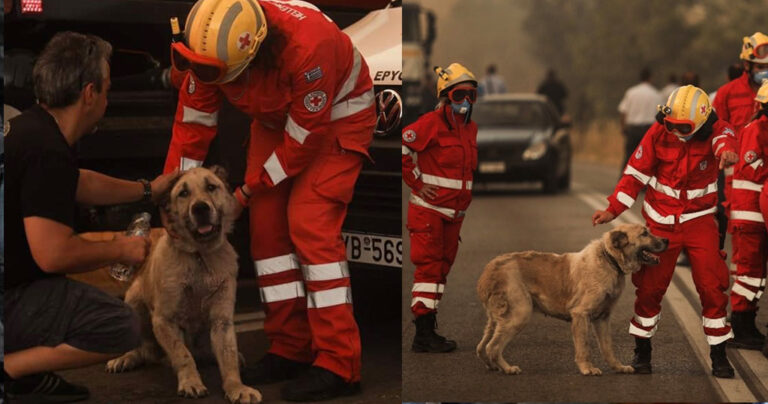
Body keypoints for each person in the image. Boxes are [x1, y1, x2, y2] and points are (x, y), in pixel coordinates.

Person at [163, 0, 376, 400]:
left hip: (335, 118)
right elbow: (192, 125)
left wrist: (246, 189)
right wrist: (173, 202)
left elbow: (302, 140)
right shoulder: (209, 47)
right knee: (266, 232)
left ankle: (339, 363)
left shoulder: (309, 49)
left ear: (255, 52)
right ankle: (290, 347)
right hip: (278, 118)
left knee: (308, 224)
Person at [3, 32, 179, 402]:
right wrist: (120, 249)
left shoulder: (29, 128)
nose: (107, 98)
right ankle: (11, 371)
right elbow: (52, 254)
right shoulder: (46, 151)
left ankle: (25, 373)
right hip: (10, 298)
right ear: (89, 94)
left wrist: (148, 189)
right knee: (119, 325)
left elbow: (76, 182)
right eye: (107, 89)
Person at [593, 85, 739, 378]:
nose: (675, 132)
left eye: (682, 128)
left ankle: (719, 355)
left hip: (699, 222)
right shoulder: (657, 133)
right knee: (649, 290)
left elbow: (726, 139)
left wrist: (727, 153)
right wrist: (612, 209)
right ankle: (642, 352)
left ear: (701, 122)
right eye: (671, 125)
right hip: (660, 225)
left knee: (712, 287)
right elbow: (634, 176)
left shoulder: (717, 131)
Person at [402, 63, 478, 353]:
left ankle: (428, 326)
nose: (467, 102)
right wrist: (417, 183)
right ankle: (422, 335)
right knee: (429, 270)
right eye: (460, 95)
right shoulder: (429, 123)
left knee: (441, 271)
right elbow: (404, 147)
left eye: (472, 95)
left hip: (454, 216)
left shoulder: (471, 128)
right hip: (429, 212)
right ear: (446, 96)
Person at [716, 32, 768, 346]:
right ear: (745, 63)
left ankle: (745, 322)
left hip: (759, 191)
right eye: (759, 64)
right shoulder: (726, 94)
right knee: (746, 262)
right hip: (740, 193)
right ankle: (739, 322)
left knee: (754, 264)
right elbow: (715, 135)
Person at [731, 80, 768, 352]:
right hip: (749, 213)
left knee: (756, 275)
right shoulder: (756, 128)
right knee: (748, 272)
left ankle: (748, 324)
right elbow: (752, 165)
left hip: (757, 212)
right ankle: (740, 327)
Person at [618, 67, 663, 175]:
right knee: (648, 158)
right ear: (650, 78)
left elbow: (623, 111)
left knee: (629, 156)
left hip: (633, 129)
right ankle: (645, 184)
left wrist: (623, 128)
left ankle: (624, 179)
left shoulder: (631, 92)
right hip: (649, 130)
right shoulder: (656, 94)